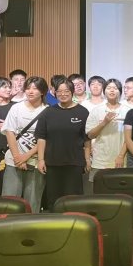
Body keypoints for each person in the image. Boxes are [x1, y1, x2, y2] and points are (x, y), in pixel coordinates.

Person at [36, 77, 90, 210]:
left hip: (74, 163)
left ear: (72, 92)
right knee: (54, 200)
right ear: (55, 93)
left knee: (74, 200)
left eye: (66, 91)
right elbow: (41, 138)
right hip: (52, 163)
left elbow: (86, 139)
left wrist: (87, 159)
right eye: (59, 92)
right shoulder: (48, 112)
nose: (63, 94)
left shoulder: (83, 112)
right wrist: (41, 160)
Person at [1, 76, 49, 212]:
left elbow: (45, 138)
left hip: (36, 162)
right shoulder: (16, 108)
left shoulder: (48, 110)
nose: (30, 91)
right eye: (28, 88)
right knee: (9, 201)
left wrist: (26, 157)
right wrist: (18, 158)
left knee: (33, 202)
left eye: (35, 88)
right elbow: (9, 132)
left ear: (42, 91)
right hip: (13, 160)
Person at [85, 78, 130, 190]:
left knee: (120, 192)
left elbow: (130, 138)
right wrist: (104, 122)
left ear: (120, 91)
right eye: (109, 88)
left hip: (121, 160)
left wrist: (121, 156)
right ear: (104, 91)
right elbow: (90, 135)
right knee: (99, 192)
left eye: (115, 88)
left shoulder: (128, 111)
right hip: (100, 160)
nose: (112, 90)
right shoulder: (96, 110)